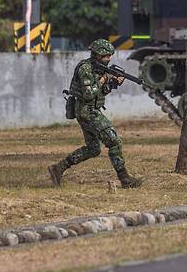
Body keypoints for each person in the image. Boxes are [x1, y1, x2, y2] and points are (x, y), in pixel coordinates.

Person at [48, 39, 142, 189]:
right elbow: (88, 94)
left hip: (89, 111)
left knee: (93, 149)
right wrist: (104, 79)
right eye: (106, 56)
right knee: (114, 141)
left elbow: (100, 92)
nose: (109, 58)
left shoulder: (97, 68)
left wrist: (113, 84)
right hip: (87, 112)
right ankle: (125, 179)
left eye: (110, 55)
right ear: (98, 55)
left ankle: (58, 168)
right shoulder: (85, 69)